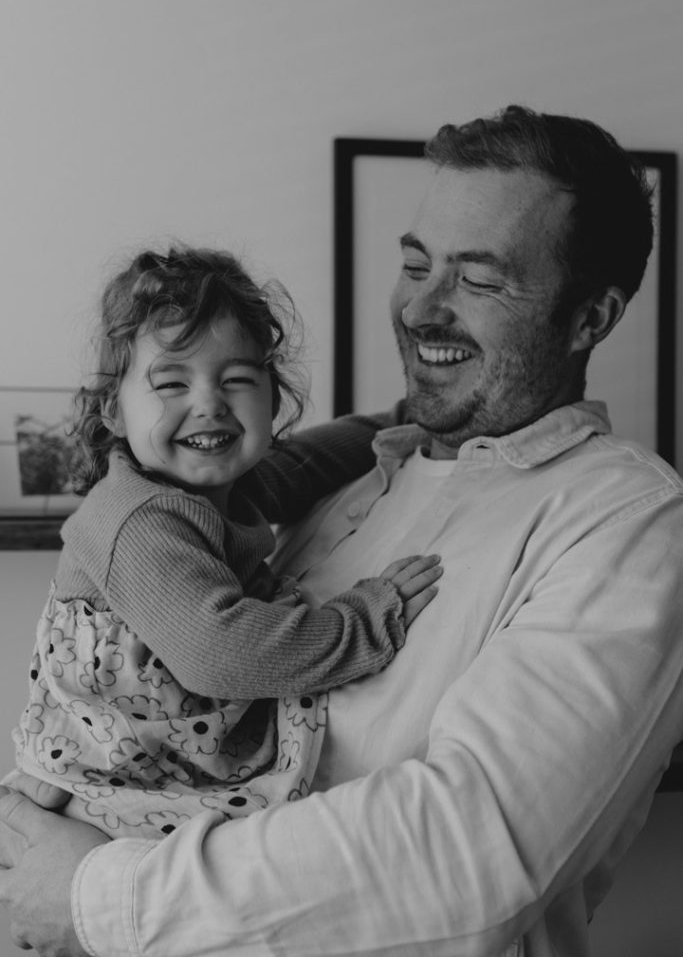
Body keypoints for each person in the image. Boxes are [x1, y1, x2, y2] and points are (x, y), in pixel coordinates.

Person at [1, 104, 683, 957]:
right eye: (414, 264)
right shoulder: (363, 475)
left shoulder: (625, 520)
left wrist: (90, 894)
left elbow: (470, 853)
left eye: (478, 280)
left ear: (589, 318)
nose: (424, 309)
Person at [10, 246, 442, 840]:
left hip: (147, 764)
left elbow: (309, 462)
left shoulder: (225, 484)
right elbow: (222, 654)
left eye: (238, 379)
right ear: (113, 410)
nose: (209, 402)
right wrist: (362, 618)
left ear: (273, 396)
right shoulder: (137, 521)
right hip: (112, 792)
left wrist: (412, 417)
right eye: (171, 383)